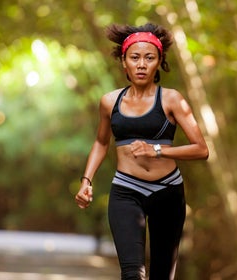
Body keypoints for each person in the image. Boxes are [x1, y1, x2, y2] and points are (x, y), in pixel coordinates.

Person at [75, 22, 209, 280]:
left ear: (159, 62)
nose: (141, 64)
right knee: (132, 274)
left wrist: (157, 150)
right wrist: (86, 180)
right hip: (126, 191)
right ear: (124, 61)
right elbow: (101, 143)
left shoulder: (172, 99)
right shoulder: (109, 101)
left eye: (149, 58)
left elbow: (201, 150)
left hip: (168, 191)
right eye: (134, 57)